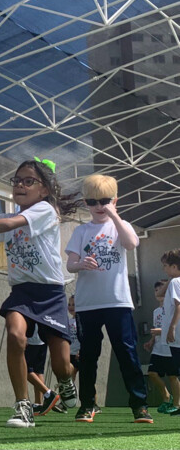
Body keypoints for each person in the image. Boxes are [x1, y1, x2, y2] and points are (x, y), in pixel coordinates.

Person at [0, 158, 78, 428]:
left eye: (28, 181)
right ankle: (23, 406)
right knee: (15, 335)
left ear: (44, 190)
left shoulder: (45, 210)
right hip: (21, 292)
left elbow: (9, 225)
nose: (20, 185)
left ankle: (66, 383)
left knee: (61, 365)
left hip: (51, 293)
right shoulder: (4, 217)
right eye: (17, 181)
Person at [66, 174, 151, 424]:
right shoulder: (81, 230)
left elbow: (132, 243)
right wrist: (80, 263)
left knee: (127, 353)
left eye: (105, 200)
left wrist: (114, 215)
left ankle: (139, 406)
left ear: (115, 200)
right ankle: (88, 405)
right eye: (93, 201)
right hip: (87, 303)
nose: (99, 206)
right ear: (85, 202)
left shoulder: (120, 224)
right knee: (89, 356)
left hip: (118, 301)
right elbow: (70, 265)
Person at [144, 280, 179, 414]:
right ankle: (166, 397)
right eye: (156, 290)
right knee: (152, 373)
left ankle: (177, 403)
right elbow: (156, 329)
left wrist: (162, 332)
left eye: (162, 289)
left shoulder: (172, 308)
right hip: (158, 348)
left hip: (170, 347)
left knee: (172, 376)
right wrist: (151, 341)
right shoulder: (156, 311)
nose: (159, 292)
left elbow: (172, 327)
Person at [161, 249, 180, 416]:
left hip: (178, 336)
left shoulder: (176, 283)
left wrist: (172, 328)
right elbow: (160, 293)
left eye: (166, 266)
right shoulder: (174, 281)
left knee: (176, 371)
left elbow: (178, 306)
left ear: (175, 266)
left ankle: (178, 404)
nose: (164, 269)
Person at [25, 326, 59, 417]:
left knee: (23, 369)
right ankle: (39, 404)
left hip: (31, 338)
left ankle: (48, 393)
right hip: (42, 338)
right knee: (38, 371)